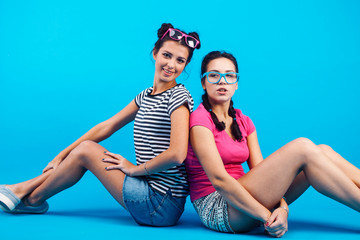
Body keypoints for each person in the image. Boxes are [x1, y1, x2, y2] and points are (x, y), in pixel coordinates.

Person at [0, 23, 200, 227]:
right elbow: (107, 126)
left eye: (180, 60)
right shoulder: (146, 96)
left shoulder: (178, 97)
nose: (171, 65)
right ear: (155, 53)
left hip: (161, 205)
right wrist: (61, 154)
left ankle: (29, 197)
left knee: (87, 150)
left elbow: (177, 154)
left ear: (185, 65)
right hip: (148, 191)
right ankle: (26, 195)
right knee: (85, 149)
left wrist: (134, 169)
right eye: (167, 55)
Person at [185, 50, 360, 237]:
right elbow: (220, 182)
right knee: (302, 147)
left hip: (246, 197)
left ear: (236, 84)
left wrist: (283, 210)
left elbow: (264, 175)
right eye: (214, 76)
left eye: (229, 76)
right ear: (203, 83)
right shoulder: (200, 120)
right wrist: (268, 217)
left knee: (323, 150)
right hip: (219, 205)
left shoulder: (244, 121)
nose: (222, 81)